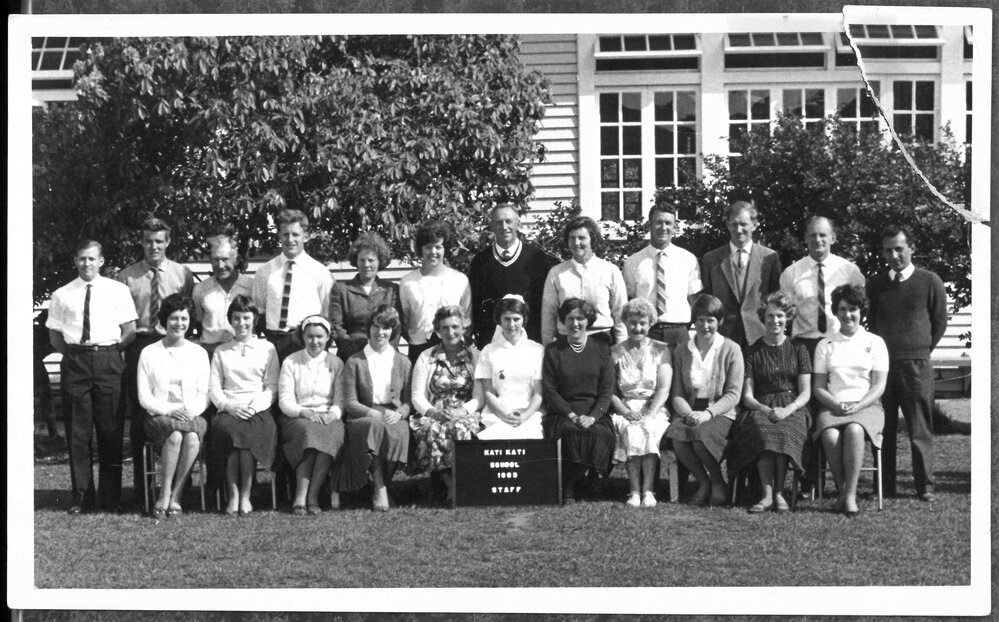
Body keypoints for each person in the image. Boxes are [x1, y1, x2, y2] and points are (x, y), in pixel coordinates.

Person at [47, 240, 137, 514]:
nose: (87, 264)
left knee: (110, 430)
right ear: (75, 260)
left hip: (109, 359)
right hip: (76, 361)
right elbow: (55, 337)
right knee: (78, 432)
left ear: (101, 261)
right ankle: (82, 497)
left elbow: (130, 330)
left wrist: (108, 352)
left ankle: (110, 498)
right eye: (82, 258)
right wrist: (79, 354)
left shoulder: (118, 290)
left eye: (92, 259)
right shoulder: (62, 294)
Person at [116, 217, 195, 509]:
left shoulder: (182, 274)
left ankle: (179, 486)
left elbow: (187, 312)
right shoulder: (126, 276)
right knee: (141, 415)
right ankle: (143, 488)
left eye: (159, 241)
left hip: (173, 341)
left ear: (167, 242)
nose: (154, 246)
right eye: (149, 241)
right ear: (142, 242)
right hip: (140, 344)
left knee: (180, 403)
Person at [867, 225, 947, 502]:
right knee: (884, 428)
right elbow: (873, 324)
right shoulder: (875, 284)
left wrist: (919, 349)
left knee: (919, 428)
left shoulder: (929, 281)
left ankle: (925, 486)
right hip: (883, 368)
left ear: (911, 248)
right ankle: (884, 486)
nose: (894, 255)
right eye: (888, 250)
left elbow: (939, 323)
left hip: (916, 366)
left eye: (899, 249)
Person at [728, 292, 812, 513]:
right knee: (762, 429)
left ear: (788, 318)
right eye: (770, 316)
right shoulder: (753, 351)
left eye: (780, 316)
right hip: (761, 405)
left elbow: (806, 393)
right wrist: (766, 409)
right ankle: (766, 494)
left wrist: (788, 409)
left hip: (793, 405)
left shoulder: (798, 348)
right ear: (763, 319)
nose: (775, 321)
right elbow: (747, 395)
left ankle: (779, 492)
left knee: (784, 430)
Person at [812, 284, 889, 516]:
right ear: (836, 312)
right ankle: (842, 489)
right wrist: (835, 404)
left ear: (861, 311)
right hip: (832, 405)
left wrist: (859, 405)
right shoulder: (825, 344)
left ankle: (850, 495)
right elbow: (818, 387)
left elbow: (879, 386)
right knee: (829, 434)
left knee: (855, 430)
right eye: (843, 309)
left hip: (868, 405)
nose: (848, 315)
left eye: (853, 309)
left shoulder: (875, 342)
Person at [664, 294, 744, 506]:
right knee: (678, 436)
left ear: (720, 321)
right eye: (700, 319)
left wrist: (708, 413)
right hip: (690, 410)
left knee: (700, 438)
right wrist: (688, 413)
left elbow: (734, 394)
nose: (705, 325)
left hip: (720, 411)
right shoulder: (682, 350)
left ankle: (718, 482)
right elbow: (678, 394)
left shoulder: (731, 349)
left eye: (710, 320)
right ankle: (704, 482)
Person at [136, 294, 210, 518]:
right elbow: (144, 396)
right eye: (174, 318)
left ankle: (176, 496)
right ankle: (164, 492)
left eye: (184, 319)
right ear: (164, 321)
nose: (179, 324)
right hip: (159, 415)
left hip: (191, 413)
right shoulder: (149, 353)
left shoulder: (198, 353)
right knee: (176, 436)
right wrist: (169, 410)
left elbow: (204, 394)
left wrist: (190, 412)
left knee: (193, 437)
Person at [333, 304, 412, 511]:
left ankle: (382, 484)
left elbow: (408, 401)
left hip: (392, 413)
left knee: (401, 431)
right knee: (375, 427)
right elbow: (350, 402)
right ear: (368, 329)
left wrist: (400, 414)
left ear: (392, 331)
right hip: (363, 415)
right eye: (376, 327)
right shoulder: (354, 361)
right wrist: (371, 412)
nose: (380, 332)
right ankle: (380, 488)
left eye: (386, 328)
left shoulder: (403, 362)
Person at [208, 295, 280, 515]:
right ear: (230, 320)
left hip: (257, 408)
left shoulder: (267, 348)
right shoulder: (221, 351)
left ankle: (246, 496)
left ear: (254, 319)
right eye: (236, 318)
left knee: (247, 438)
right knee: (230, 433)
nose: (241, 323)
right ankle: (233, 495)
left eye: (246, 318)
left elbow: (272, 386)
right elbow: (214, 388)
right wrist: (228, 406)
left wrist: (253, 407)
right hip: (229, 408)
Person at [542, 298, 617, 503]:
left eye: (580, 318)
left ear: (588, 321)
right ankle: (570, 484)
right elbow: (550, 391)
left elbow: (606, 391)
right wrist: (572, 415)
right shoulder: (553, 351)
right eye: (570, 319)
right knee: (571, 432)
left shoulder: (602, 349)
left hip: (596, 412)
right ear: (563, 322)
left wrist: (592, 417)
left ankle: (595, 479)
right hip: (564, 412)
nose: (575, 324)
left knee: (600, 433)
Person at [409, 306, 482, 502]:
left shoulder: (475, 356)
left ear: (464, 327)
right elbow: (417, 395)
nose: (450, 332)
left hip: (465, 411)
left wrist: (463, 410)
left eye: (455, 327)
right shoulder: (426, 357)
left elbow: (480, 396)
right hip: (434, 411)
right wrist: (432, 412)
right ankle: (451, 487)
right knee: (434, 430)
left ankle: (463, 483)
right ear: (437, 330)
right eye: (445, 328)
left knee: (460, 428)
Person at [277, 315, 346, 516]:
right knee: (308, 433)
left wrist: (333, 414)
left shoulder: (336, 363)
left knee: (329, 434)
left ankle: (313, 495)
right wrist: (304, 412)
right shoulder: (291, 361)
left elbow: (340, 400)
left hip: (328, 416)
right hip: (298, 417)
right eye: (310, 336)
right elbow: (285, 401)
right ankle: (300, 494)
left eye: (319, 337)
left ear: (327, 338)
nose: (314, 341)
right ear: (303, 337)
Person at [608, 298, 672, 508]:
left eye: (643, 323)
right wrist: (625, 412)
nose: (638, 328)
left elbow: (663, 389)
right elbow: (610, 391)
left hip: (654, 408)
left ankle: (649, 490)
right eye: (633, 322)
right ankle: (635, 491)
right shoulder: (615, 352)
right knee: (632, 430)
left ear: (651, 323)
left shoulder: (661, 349)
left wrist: (650, 413)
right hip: (625, 408)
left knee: (647, 428)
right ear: (625, 322)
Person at [467, 204, 558, 349]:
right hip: (491, 344)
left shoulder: (536, 258)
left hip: (530, 342)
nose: (504, 226)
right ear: (491, 226)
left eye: (508, 221)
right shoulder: (480, 261)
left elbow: (546, 304)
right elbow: (475, 305)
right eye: (498, 222)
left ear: (518, 224)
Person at [252, 208, 334, 362]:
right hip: (274, 341)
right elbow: (259, 311)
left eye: (295, 234)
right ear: (279, 236)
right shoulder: (265, 272)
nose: (290, 240)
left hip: (305, 341)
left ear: (306, 236)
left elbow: (328, 312)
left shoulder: (319, 272)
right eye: (285, 234)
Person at [779, 216, 865, 360]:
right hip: (803, 345)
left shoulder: (850, 271)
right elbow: (785, 314)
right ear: (806, 237)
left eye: (823, 235)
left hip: (839, 343)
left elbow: (862, 307)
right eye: (813, 235)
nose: (818, 239)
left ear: (833, 238)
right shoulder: (791, 273)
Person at [700, 201, 781, 350]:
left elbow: (776, 300)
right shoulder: (711, 260)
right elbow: (706, 300)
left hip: (760, 336)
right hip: (724, 337)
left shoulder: (770, 258)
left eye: (743, 224)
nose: (738, 229)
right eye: (734, 224)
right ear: (727, 225)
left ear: (754, 225)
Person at [622, 204, 701, 349]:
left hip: (679, 331)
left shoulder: (688, 260)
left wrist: (683, 326)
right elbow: (630, 301)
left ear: (675, 227)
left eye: (668, 223)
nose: (663, 227)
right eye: (658, 222)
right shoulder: (633, 262)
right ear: (649, 224)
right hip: (647, 331)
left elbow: (694, 301)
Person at [540, 216, 626, 346]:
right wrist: (547, 347)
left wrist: (621, 346)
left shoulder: (610, 271)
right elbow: (549, 314)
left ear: (593, 240)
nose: (576, 243)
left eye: (581, 238)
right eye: (572, 238)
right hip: (567, 341)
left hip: (601, 341)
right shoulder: (556, 273)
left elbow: (620, 311)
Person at [399, 220, 472, 363]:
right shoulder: (408, 283)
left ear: (445, 249)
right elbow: (404, 322)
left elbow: (467, 320)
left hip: (454, 350)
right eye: (428, 247)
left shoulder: (460, 280)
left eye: (438, 247)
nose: (433, 252)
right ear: (421, 249)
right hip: (418, 350)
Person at [475, 295, 546, 440]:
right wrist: (503, 415)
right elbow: (488, 392)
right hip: (498, 412)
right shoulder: (488, 351)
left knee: (529, 439)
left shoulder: (537, 350)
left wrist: (525, 415)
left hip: (529, 412)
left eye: (516, 319)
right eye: (506, 319)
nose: (511, 324)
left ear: (524, 319)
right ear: (499, 320)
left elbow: (539, 392)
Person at [329, 231, 402, 362]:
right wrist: (355, 355)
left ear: (380, 261)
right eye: (362, 260)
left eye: (371, 260)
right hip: (351, 356)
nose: (366, 264)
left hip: (385, 356)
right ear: (356, 261)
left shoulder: (391, 290)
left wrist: (383, 352)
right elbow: (336, 326)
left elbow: (396, 327)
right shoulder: (341, 289)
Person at [192, 233, 253, 361]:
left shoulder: (250, 287)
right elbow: (198, 322)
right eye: (215, 259)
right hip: (210, 353)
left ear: (235, 259)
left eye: (225, 259)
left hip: (242, 353)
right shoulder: (201, 290)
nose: (220, 266)